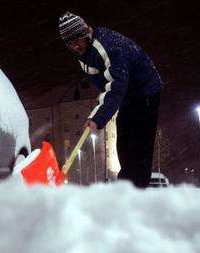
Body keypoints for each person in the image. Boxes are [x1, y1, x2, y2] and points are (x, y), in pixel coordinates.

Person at [58, 11, 163, 188]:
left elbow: (116, 84)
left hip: (145, 91)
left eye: (77, 40)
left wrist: (98, 117)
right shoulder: (83, 57)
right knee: (124, 144)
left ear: (85, 34)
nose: (74, 46)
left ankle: (137, 193)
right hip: (127, 96)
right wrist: (96, 114)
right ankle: (126, 189)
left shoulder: (106, 46)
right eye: (70, 43)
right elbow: (106, 87)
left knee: (139, 146)